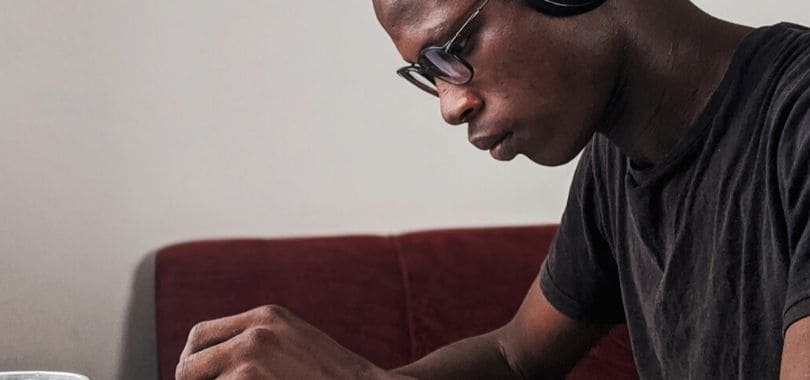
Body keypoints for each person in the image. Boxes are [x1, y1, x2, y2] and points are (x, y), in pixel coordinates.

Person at [174, 0, 810, 378]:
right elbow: (515, 357)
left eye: (452, 49)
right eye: (427, 75)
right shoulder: (615, 164)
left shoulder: (798, 117)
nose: (450, 107)